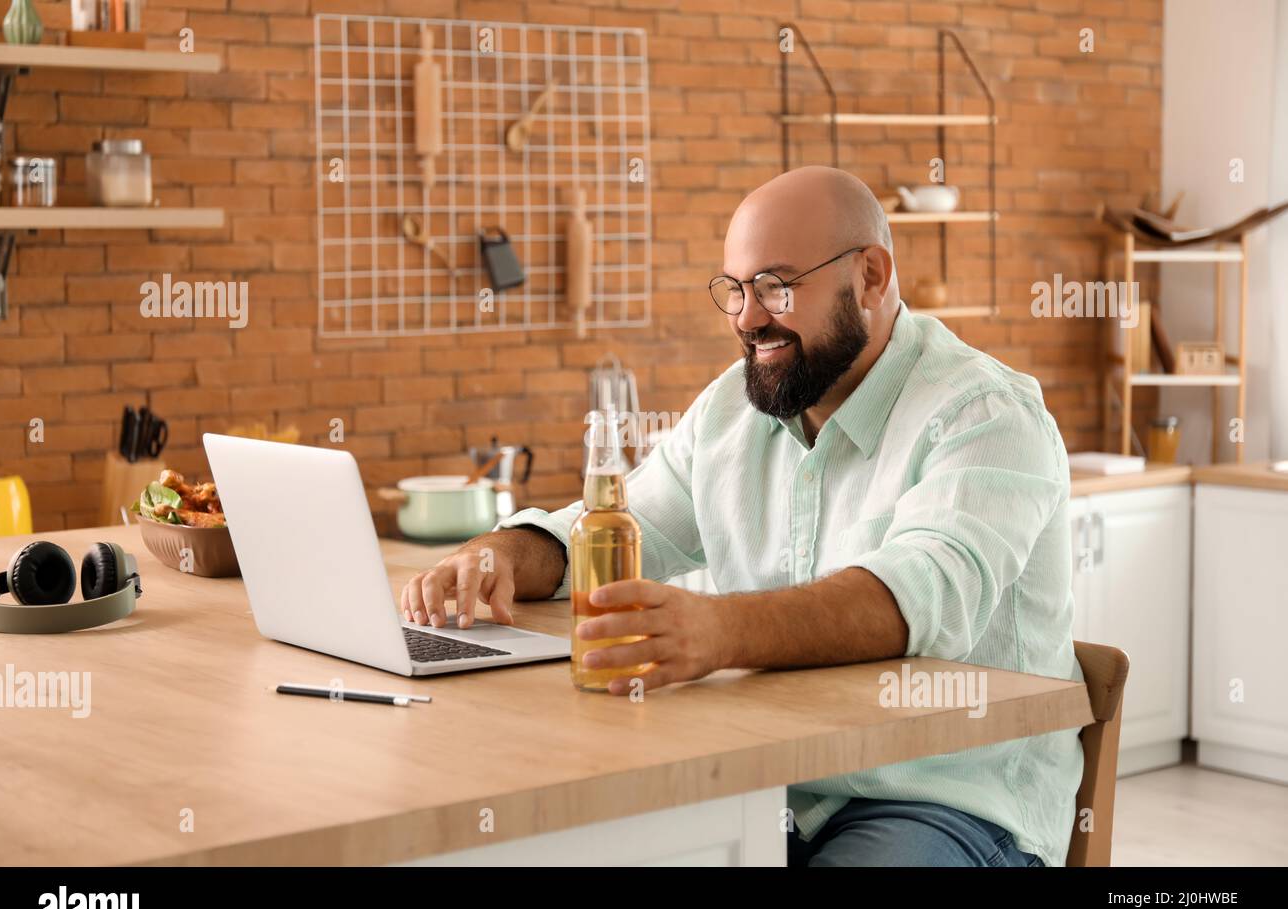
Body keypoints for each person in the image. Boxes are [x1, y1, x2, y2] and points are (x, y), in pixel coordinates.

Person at [401, 166, 1081, 867]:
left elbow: (922, 594)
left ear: (871, 277)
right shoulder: (731, 408)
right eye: (735, 289)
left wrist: (719, 631)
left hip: (944, 797)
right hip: (768, 779)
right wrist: (506, 552)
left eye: (777, 287)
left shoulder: (987, 415)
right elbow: (622, 524)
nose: (749, 318)